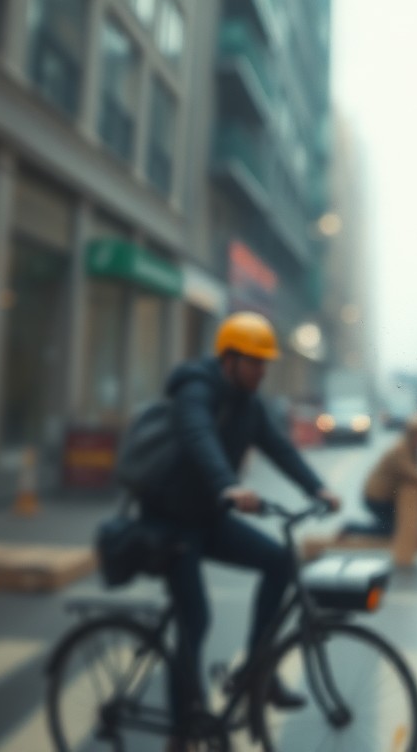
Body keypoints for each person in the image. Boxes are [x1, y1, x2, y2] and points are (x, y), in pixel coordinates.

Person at [138, 311, 343, 751]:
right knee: (196, 618)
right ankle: (180, 731)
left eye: (265, 362)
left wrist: (318, 488)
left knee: (280, 560)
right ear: (228, 360)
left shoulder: (251, 405)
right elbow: (198, 438)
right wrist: (228, 485)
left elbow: (280, 448)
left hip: (208, 519)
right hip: (171, 521)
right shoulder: (197, 389)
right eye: (254, 361)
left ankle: (257, 674)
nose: (262, 370)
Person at [339, 415, 417, 544]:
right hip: (377, 498)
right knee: (393, 530)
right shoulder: (400, 450)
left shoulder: (413, 450)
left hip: (389, 496)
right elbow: (411, 473)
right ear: (411, 435)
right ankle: (352, 528)